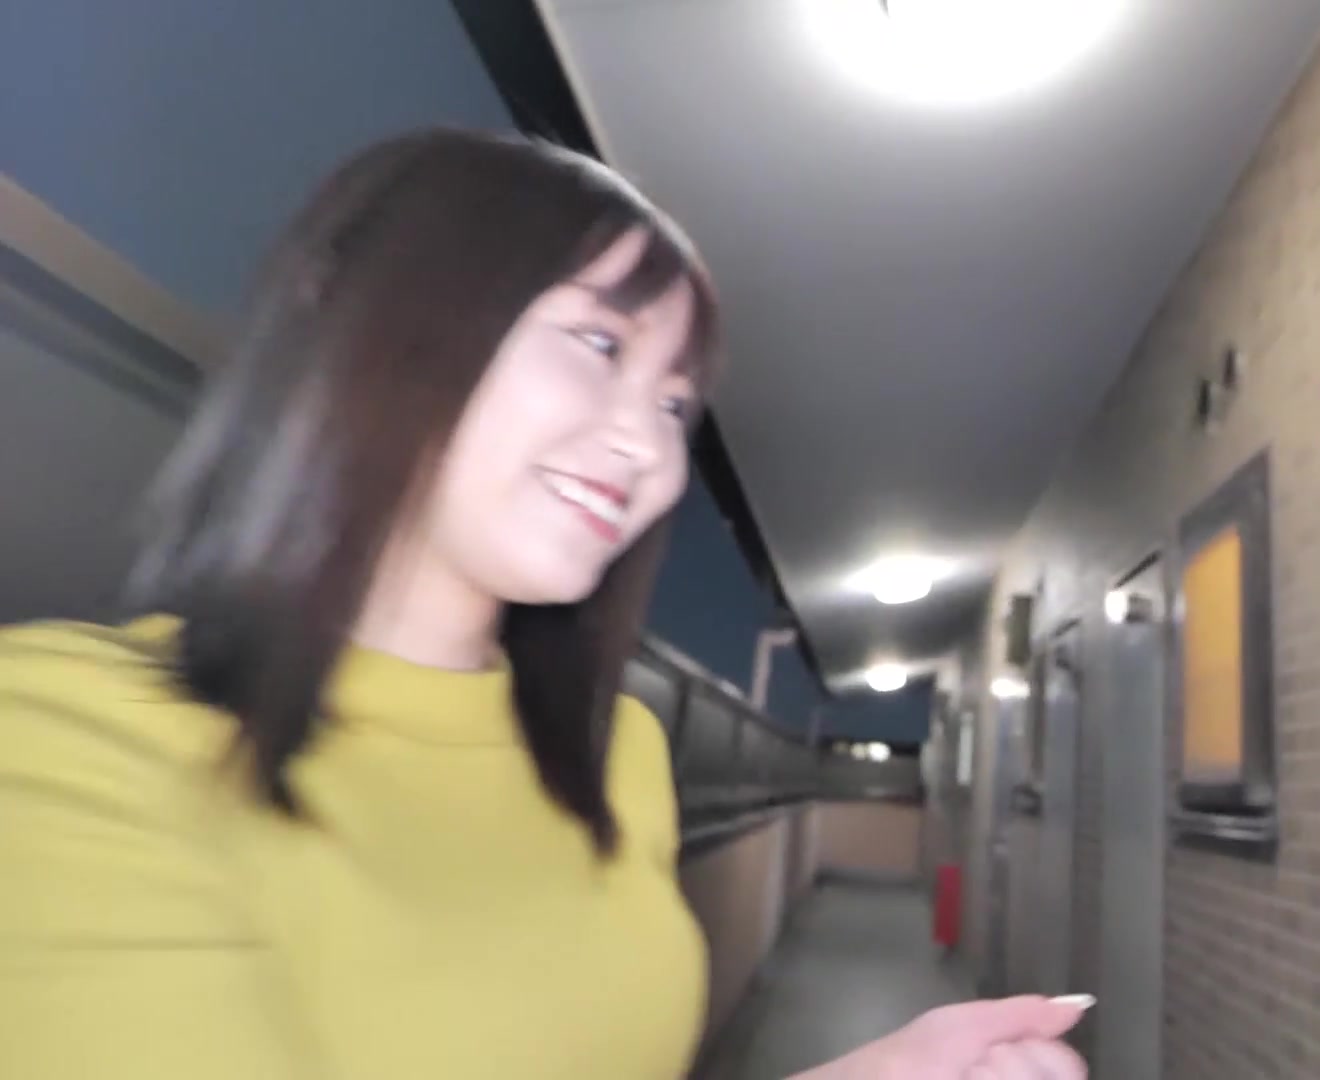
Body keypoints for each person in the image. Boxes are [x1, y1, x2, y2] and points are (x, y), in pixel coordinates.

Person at [0, 129, 1088, 1079]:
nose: (649, 447)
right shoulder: (67, 738)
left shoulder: (619, 753)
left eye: (675, 405)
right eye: (600, 345)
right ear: (384, 324)